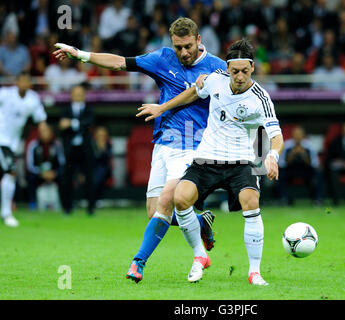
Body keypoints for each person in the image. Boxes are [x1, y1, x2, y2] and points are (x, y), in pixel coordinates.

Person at [53, 17, 226, 282]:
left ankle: (138, 263)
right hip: (163, 144)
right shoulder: (163, 58)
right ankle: (200, 222)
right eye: (178, 47)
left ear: (199, 40)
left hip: (194, 145)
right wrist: (81, 55)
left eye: (188, 46)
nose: (184, 53)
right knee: (155, 211)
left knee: (168, 201)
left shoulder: (217, 67)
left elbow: (210, 96)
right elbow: (121, 62)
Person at [137, 39, 284, 285]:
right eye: (234, 71)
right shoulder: (214, 79)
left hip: (241, 161)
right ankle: (199, 257)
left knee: (251, 200)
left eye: (244, 72)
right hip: (207, 158)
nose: (239, 77)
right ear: (227, 68)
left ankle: (255, 272)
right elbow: (192, 93)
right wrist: (162, 108)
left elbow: (276, 135)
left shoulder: (261, 97)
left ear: (252, 69)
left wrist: (272, 156)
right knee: (180, 198)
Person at [0, 72, 47, 227]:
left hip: (12, 144)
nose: (24, 83)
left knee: (9, 175)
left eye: (27, 81)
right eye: (21, 80)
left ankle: (6, 211)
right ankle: (6, 213)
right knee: (11, 172)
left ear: (30, 84)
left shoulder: (32, 99)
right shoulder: (6, 94)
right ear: (17, 82)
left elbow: (40, 118)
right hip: (2, 140)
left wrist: (43, 128)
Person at [59, 84, 95, 215]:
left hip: (85, 149)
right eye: (76, 93)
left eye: (80, 93)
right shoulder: (65, 110)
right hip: (70, 149)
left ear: (84, 95)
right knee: (67, 178)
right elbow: (61, 126)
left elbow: (88, 123)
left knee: (89, 178)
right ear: (71, 95)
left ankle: (91, 208)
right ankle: (67, 208)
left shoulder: (89, 109)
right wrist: (80, 124)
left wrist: (71, 123)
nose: (78, 95)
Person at [278, 126, 322, 205]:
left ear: (303, 136)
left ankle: (317, 199)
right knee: (280, 176)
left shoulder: (309, 146)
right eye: (296, 135)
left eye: (299, 135)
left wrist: (304, 155)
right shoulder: (287, 145)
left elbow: (315, 163)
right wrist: (291, 155)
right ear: (293, 135)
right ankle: (283, 199)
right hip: (291, 170)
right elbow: (282, 163)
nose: (297, 137)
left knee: (317, 175)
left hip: (305, 170)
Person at [26, 123, 66, 211]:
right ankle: (32, 202)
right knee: (31, 178)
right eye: (42, 132)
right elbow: (30, 165)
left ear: (51, 132)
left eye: (46, 131)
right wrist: (41, 173)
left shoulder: (57, 144)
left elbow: (62, 162)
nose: (45, 133)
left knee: (64, 177)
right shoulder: (33, 145)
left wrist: (54, 172)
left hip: (53, 173)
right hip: (39, 173)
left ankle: (64, 203)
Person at [92, 126, 113, 203]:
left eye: (103, 135)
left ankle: (97, 199)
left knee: (100, 171)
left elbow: (107, 158)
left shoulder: (108, 145)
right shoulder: (91, 144)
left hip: (104, 169)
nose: (101, 137)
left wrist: (102, 149)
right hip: (91, 169)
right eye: (99, 135)